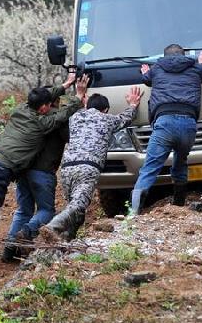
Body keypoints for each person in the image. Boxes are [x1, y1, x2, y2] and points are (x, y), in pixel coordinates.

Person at [0, 74, 83, 283]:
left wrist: (65, 84)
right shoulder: (41, 123)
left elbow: (48, 101)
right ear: (43, 108)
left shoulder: (21, 110)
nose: (50, 108)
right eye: (49, 105)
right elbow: (62, 116)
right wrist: (78, 97)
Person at [1, 76, 89, 262]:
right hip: (43, 173)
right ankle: (27, 232)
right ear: (52, 102)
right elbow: (72, 137)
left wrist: (67, 85)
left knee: (23, 210)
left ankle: (9, 248)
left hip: (24, 171)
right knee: (46, 211)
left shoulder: (30, 114)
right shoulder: (57, 119)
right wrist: (81, 107)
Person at [42, 86, 143, 241]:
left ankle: (66, 241)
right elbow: (126, 117)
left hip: (67, 168)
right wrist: (133, 104)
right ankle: (53, 226)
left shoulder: (75, 118)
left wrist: (82, 102)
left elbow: (76, 108)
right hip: (88, 168)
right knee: (77, 206)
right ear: (106, 109)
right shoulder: (108, 119)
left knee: (76, 209)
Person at [130, 44, 202, 214]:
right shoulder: (196, 68)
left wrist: (146, 71)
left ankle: (133, 212)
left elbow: (146, 80)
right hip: (188, 123)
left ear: (164, 56)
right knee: (181, 160)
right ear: (184, 56)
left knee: (150, 167)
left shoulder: (156, 69)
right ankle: (179, 201)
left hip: (164, 122)